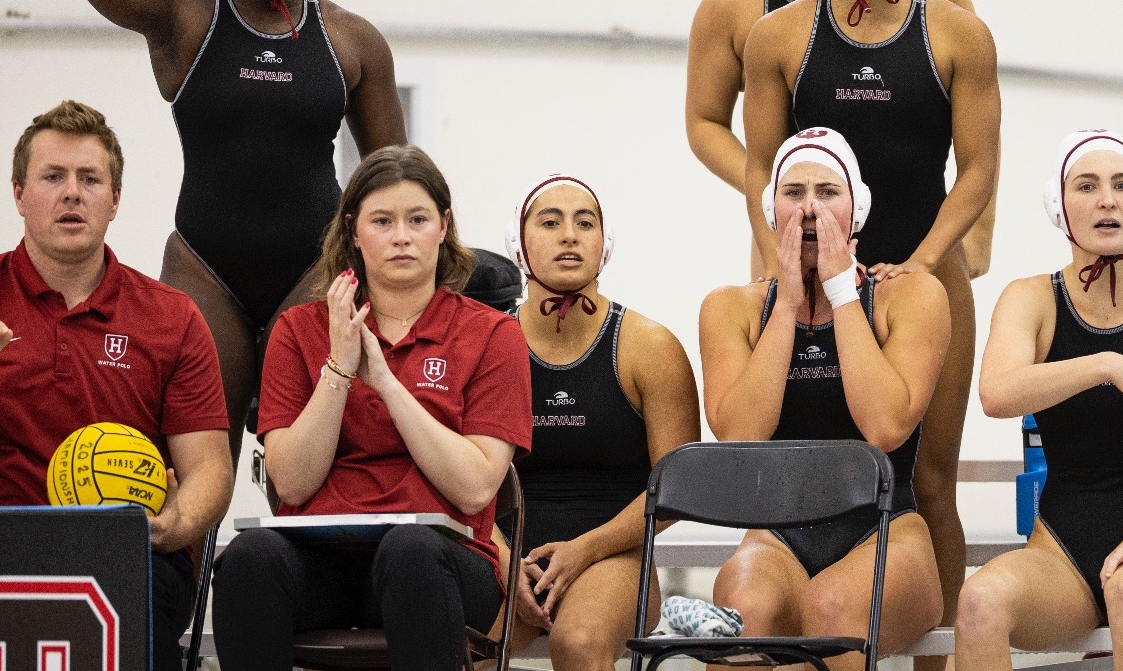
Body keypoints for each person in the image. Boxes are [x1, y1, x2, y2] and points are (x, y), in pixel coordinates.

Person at [25, 0, 408, 455]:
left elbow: (397, 180)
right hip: (206, 268)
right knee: (190, 463)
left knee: (311, 460)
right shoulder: (186, 16)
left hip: (315, 269)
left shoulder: (353, 41)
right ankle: (188, 566)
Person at [0, 100, 233, 671]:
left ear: (114, 200)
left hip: (126, 549)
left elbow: (209, 468)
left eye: (89, 179)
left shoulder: (171, 317)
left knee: (147, 595)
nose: (71, 193)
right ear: (19, 195)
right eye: (52, 177)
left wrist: (174, 524)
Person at [741, 0, 1000, 625]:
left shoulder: (957, 33)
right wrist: (779, 269)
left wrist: (920, 263)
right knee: (809, 473)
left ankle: (935, 645)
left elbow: (980, 168)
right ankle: (819, 614)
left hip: (925, 274)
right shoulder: (778, 37)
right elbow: (762, 167)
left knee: (930, 481)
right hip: (812, 282)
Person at [214, 146, 531, 671]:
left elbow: (475, 487)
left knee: (409, 550)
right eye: (382, 221)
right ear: (354, 231)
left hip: (442, 561)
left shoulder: (493, 333)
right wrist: (339, 368)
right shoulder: (298, 330)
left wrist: (384, 381)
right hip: (323, 565)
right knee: (248, 559)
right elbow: (290, 484)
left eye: (418, 219)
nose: (401, 236)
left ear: (442, 227)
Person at [955, 130, 1123, 671]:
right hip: (1061, 547)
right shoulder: (1031, 297)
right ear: (1059, 207)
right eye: (1087, 186)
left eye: (1122, 184)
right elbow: (996, 393)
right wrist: (1105, 365)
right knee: (980, 602)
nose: (1107, 199)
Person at [685, 0, 990, 278]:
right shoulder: (735, 2)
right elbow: (704, 121)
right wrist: (782, 184)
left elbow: (980, 126)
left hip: (921, 237)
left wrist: (977, 236)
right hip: (798, 235)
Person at [700, 129, 950, 664]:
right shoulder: (731, 308)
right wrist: (787, 305)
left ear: (856, 210)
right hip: (778, 534)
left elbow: (884, 428)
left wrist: (842, 293)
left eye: (827, 192)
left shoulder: (910, 296)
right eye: (793, 193)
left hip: (886, 530)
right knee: (743, 611)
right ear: (771, 211)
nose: (810, 208)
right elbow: (740, 438)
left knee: (831, 609)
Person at [501, 174, 701, 671]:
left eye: (584, 222)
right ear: (519, 245)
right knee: (455, 643)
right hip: (507, 553)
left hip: (617, 555)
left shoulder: (648, 347)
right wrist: (505, 562)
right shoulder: (489, 345)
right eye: (550, 222)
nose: (569, 234)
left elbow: (677, 488)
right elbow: (462, 478)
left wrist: (586, 550)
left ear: (604, 245)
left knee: (580, 640)